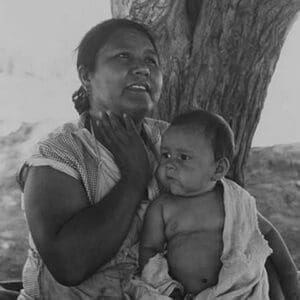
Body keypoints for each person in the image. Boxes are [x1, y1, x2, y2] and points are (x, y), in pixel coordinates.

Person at [16, 18, 168, 299]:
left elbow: (239, 216)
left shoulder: (171, 142)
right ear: (86, 76)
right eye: (123, 56)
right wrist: (134, 178)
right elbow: (69, 266)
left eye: (151, 60)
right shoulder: (61, 155)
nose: (142, 68)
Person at [131, 110, 300, 300]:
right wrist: (166, 287)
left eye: (183, 157)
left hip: (239, 292)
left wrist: (289, 274)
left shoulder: (234, 199)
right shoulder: (162, 207)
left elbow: (267, 233)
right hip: (185, 295)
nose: (170, 164)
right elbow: (149, 249)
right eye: (166, 155)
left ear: (218, 169)